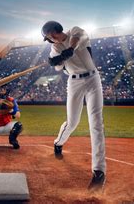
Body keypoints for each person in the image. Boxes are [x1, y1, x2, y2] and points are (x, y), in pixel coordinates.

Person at [42, 20, 106, 190]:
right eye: (48, 38)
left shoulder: (74, 31)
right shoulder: (55, 48)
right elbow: (56, 65)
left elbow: (79, 38)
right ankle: (58, 143)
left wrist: (70, 49)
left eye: (50, 36)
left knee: (96, 123)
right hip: (75, 82)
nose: (50, 39)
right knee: (72, 122)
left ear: (55, 31)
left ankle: (99, 171)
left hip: (93, 79)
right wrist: (56, 60)